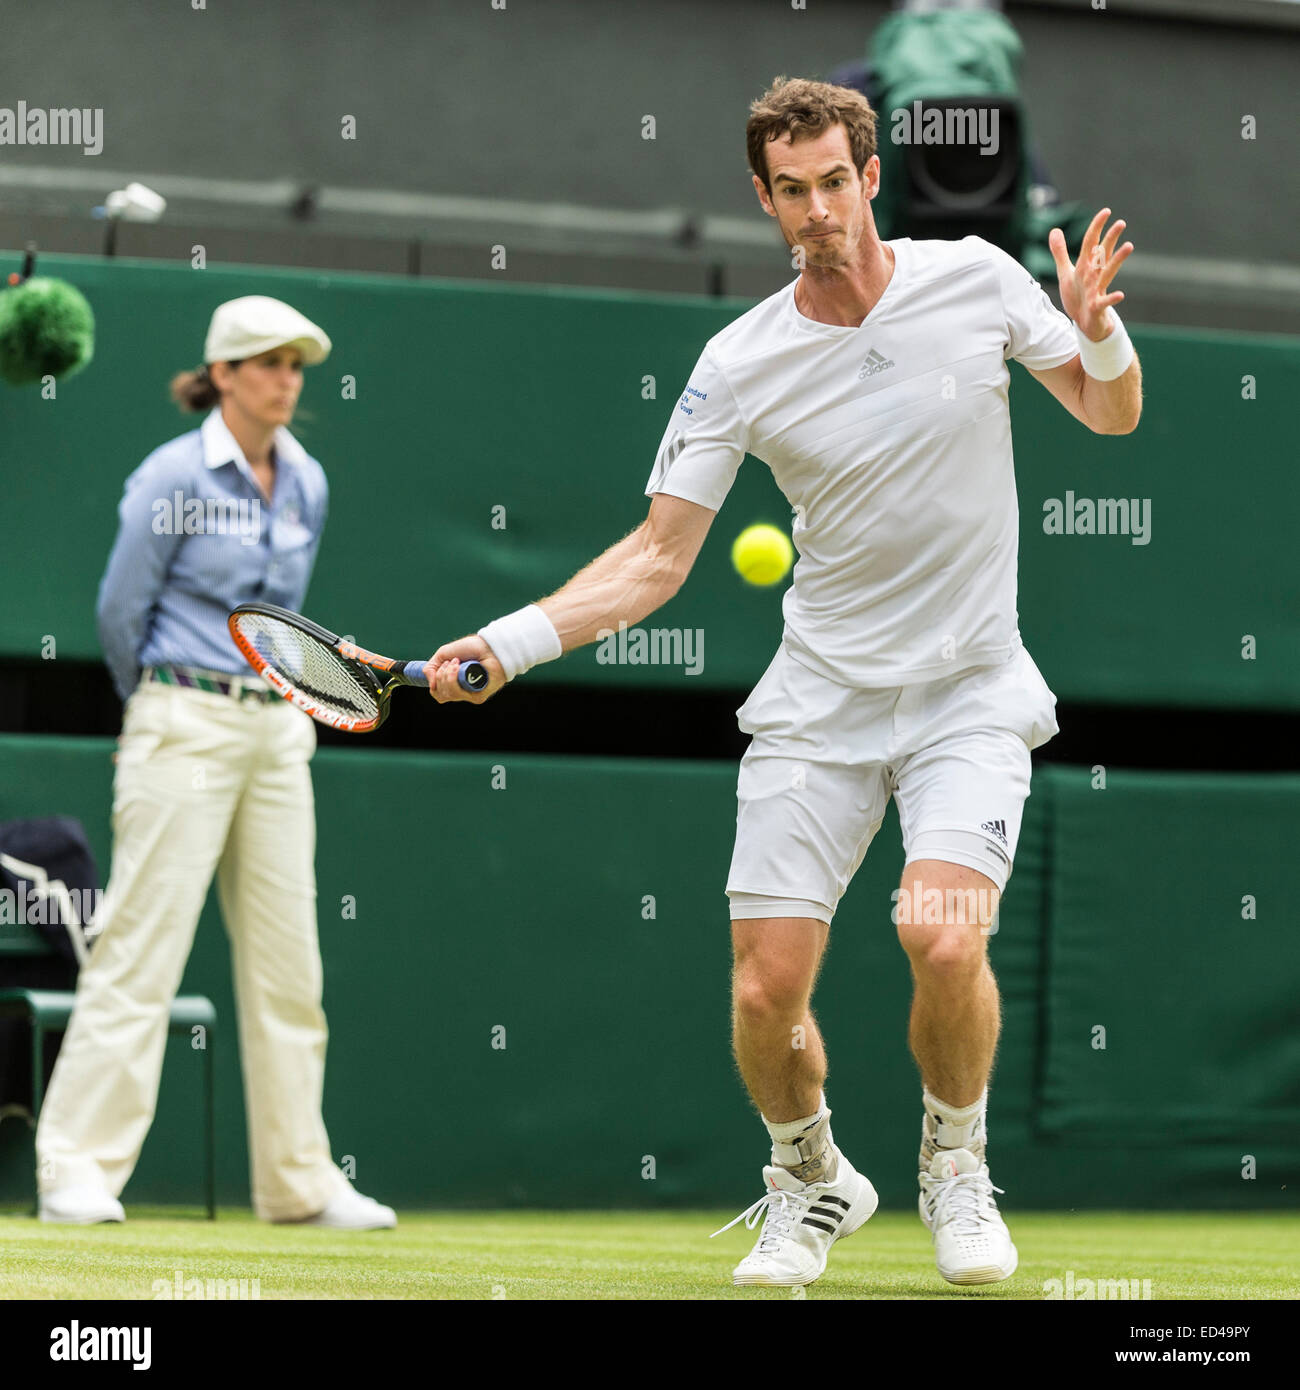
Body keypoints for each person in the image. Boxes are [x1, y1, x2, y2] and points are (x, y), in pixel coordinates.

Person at [424, 76, 1141, 1288]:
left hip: (969, 688)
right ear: (763, 199)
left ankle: (954, 1166)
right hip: (819, 704)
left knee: (942, 935)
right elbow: (656, 557)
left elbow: (1107, 415)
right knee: (765, 991)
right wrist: (515, 640)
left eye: (835, 183)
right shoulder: (737, 361)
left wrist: (1099, 330)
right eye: (790, 191)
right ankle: (808, 1178)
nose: (818, 211)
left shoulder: (976, 275)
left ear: (870, 178)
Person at [36, 296, 396, 1230]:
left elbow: (283, 628)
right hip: (181, 722)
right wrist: (160, 707)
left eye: (297, 365)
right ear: (224, 374)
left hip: (279, 734)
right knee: (140, 950)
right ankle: (74, 1169)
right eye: (268, 363)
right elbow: (122, 612)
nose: (288, 379)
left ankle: (300, 1184)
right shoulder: (169, 475)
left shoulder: (308, 481)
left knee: (290, 967)